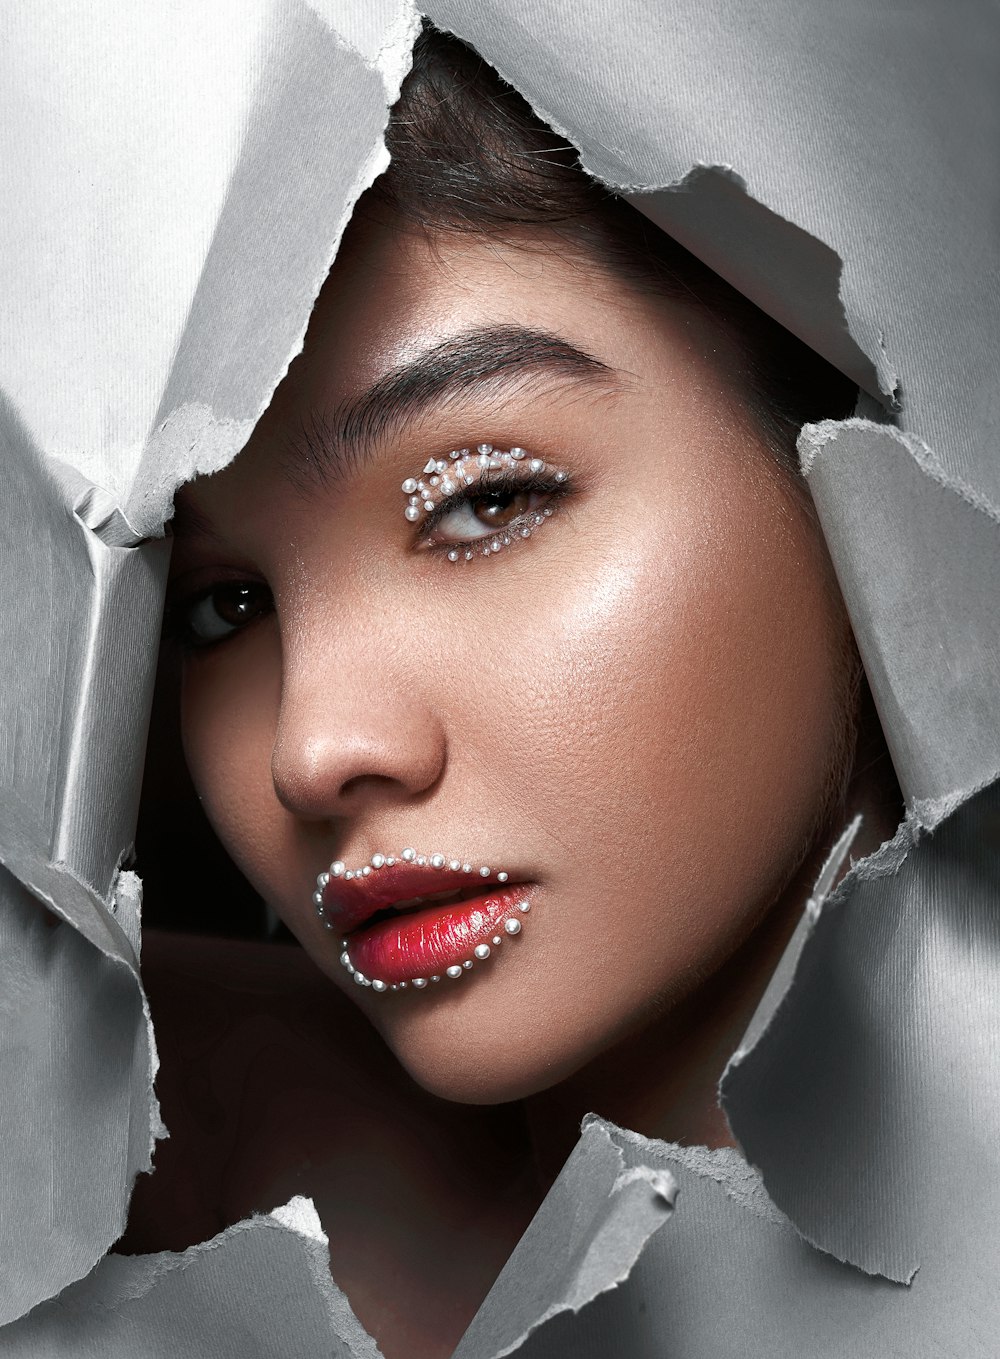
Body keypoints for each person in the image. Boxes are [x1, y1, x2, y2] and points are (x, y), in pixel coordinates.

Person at [129, 23, 901, 1359]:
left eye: (486, 501)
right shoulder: (130, 1182)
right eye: (226, 605)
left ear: (860, 454)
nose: (315, 748)